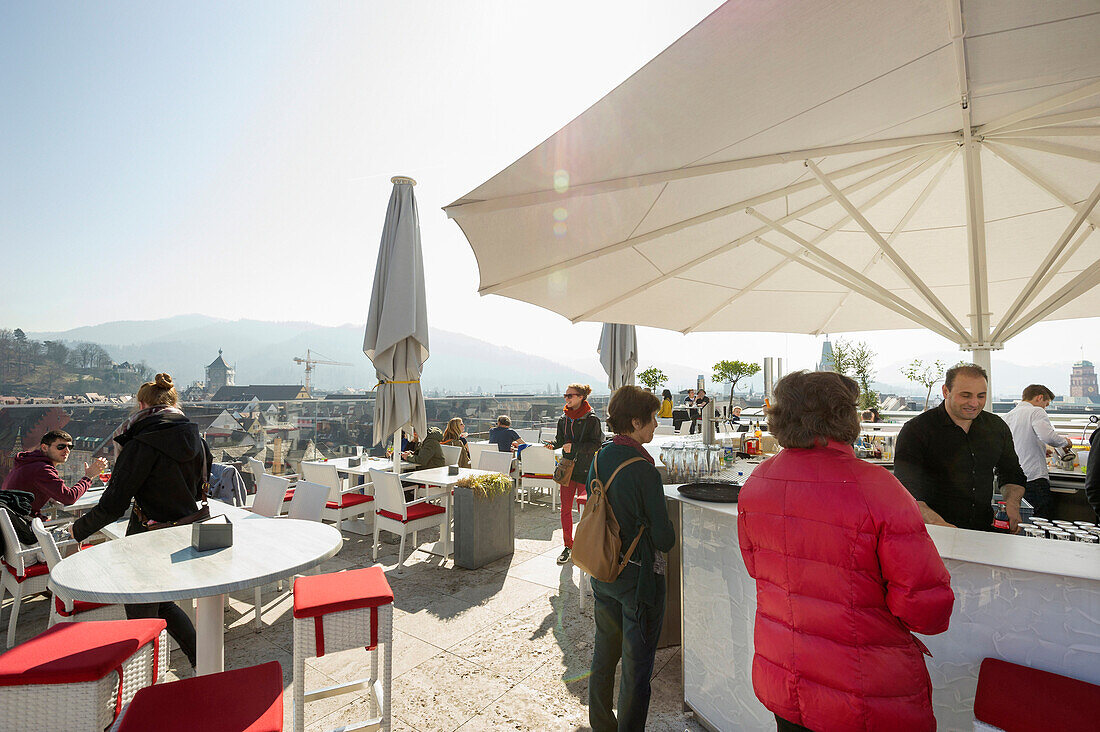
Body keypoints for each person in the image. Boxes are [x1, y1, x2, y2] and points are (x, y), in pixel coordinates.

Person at [737, 371, 954, 731]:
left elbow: (756, 567)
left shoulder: (758, 481)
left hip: (785, 672)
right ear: (844, 416)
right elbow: (926, 608)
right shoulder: (878, 487)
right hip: (863, 688)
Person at [70, 373, 211, 669]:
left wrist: (78, 530)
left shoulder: (141, 443)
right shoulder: (196, 437)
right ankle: (202, 661)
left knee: (141, 613)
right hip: (185, 531)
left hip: (149, 534)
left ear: (141, 404)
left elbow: (114, 502)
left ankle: (145, 679)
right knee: (160, 602)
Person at [588, 385, 675, 732]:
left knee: (604, 657)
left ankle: (601, 725)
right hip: (637, 580)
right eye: (652, 419)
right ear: (636, 421)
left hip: (603, 569)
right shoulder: (643, 469)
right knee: (637, 671)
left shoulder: (600, 455)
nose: (656, 425)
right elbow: (664, 538)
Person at [894, 363, 1028, 532]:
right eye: (965, 395)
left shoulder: (996, 427)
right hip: (931, 533)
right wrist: (939, 525)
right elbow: (905, 490)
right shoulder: (916, 430)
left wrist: (1012, 504)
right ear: (945, 392)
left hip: (983, 531)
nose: (974, 403)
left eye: (981, 396)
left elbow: (1011, 473)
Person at [546, 383, 603, 565]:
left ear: (581, 397)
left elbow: (597, 444)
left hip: (586, 471)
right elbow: (561, 440)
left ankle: (586, 545)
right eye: (566, 395)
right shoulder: (564, 418)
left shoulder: (592, 419)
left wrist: (575, 447)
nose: (567, 399)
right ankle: (568, 546)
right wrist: (553, 444)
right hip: (567, 470)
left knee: (586, 511)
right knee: (565, 510)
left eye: (570, 395)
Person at [1, 429, 107, 518]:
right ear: (44, 448)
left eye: (69, 447)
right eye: (61, 447)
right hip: (22, 525)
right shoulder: (41, 469)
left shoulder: (30, 462)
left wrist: (50, 494)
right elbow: (69, 498)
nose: (67, 451)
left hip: (12, 520)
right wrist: (89, 476)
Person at [1003, 384, 1071, 519]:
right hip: (1033, 477)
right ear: (1040, 398)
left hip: (1013, 480)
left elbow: (1017, 443)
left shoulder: (1007, 416)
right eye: (1046, 404)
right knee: (1041, 521)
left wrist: (1040, 449)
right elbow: (1048, 437)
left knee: (1022, 522)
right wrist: (1066, 442)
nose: (1045, 408)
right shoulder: (1036, 411)